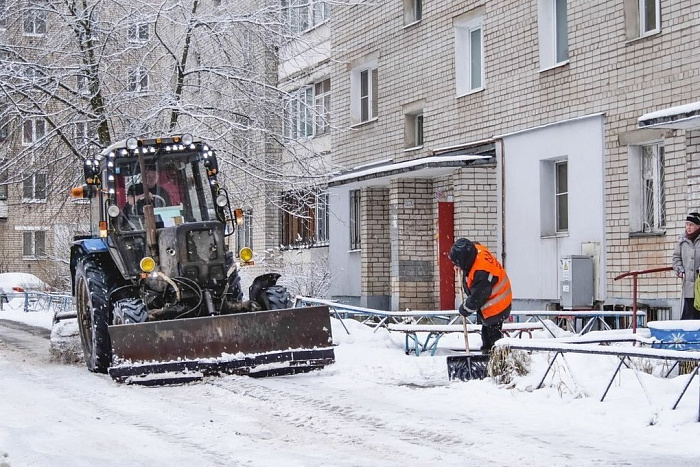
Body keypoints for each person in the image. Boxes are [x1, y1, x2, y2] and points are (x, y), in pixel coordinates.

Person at [449, 237, 512, 353]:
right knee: (486, 333)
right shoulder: (476, 250)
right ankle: (488, 355)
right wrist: (459, 265)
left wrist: (465, 309)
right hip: (493, 296)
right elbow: (473, 244)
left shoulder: (481, 272)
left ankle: (498, 360)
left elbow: (477, 298)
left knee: (493, 337)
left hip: (498, 303)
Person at [672, 212, 700, 320]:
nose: (688, 227)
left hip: (699, 284)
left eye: (691, 225)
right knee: (688, 316)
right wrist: (679, 269)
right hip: (687, 284)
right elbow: (676, 258)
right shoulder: (682, 240)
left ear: (698, 226)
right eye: (687, 224)